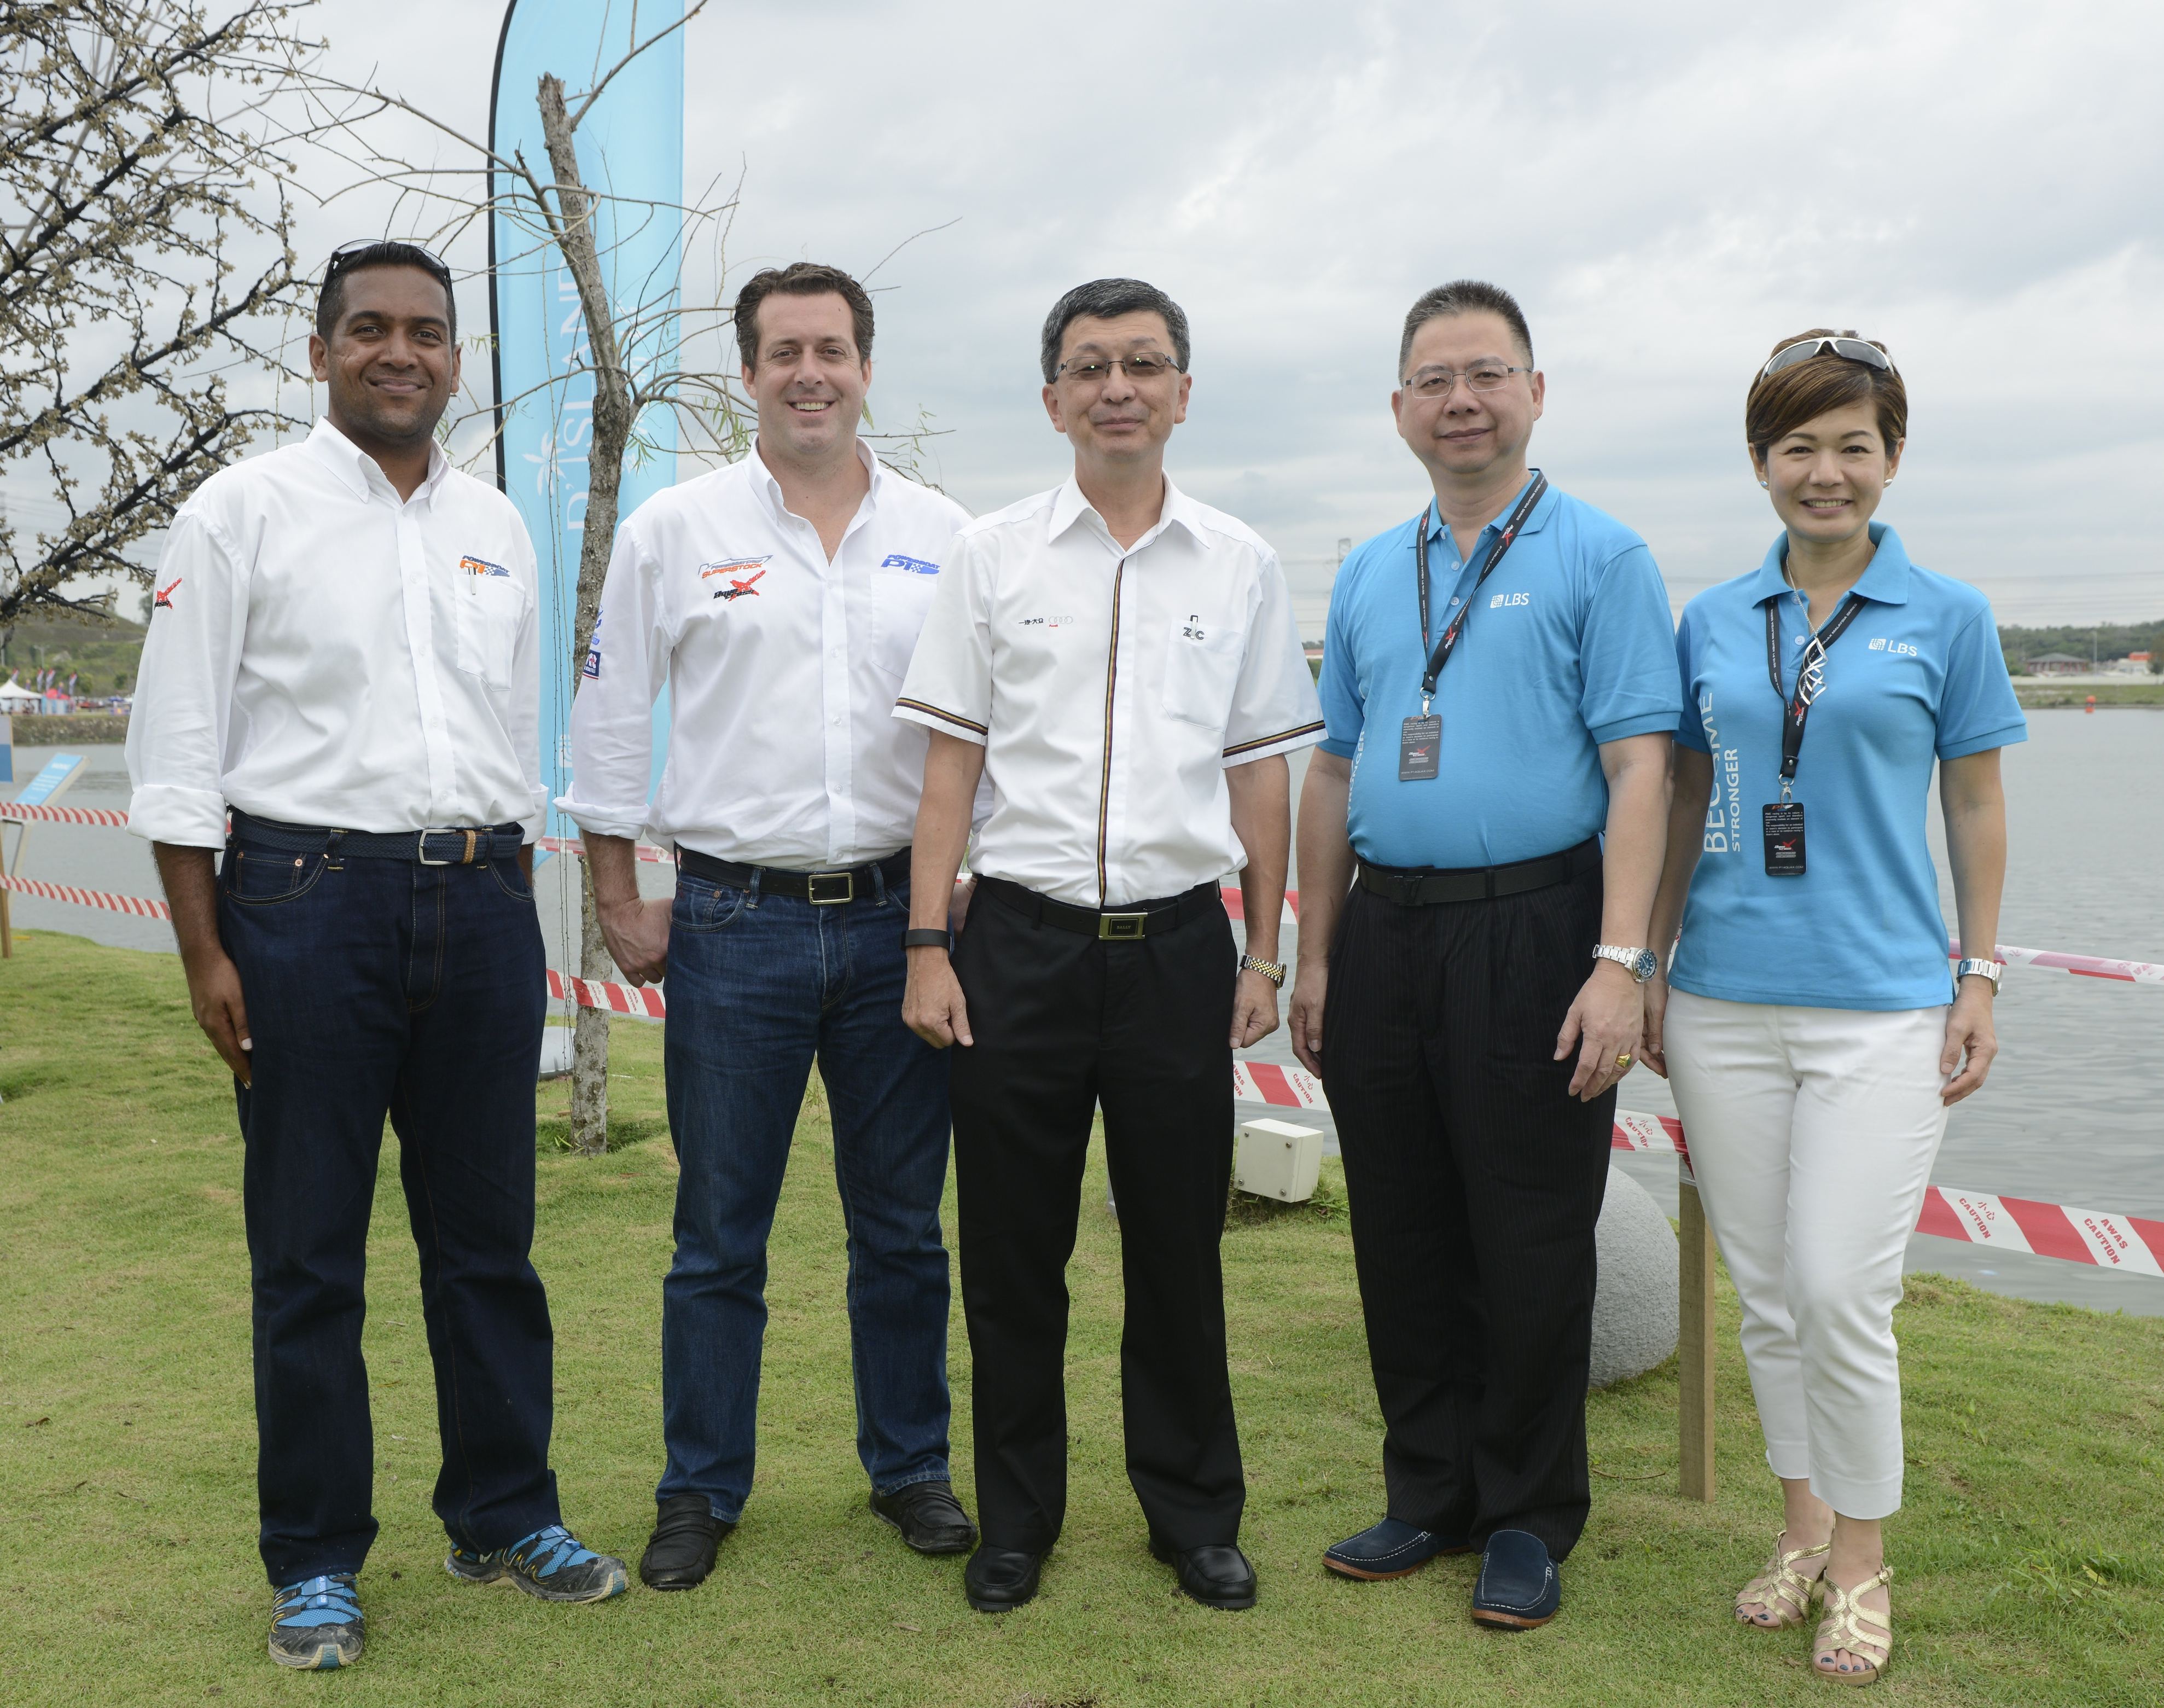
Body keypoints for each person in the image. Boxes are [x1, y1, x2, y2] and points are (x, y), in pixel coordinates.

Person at [126, 240, 626, 1672]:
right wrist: (206, 953)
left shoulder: (498, 525)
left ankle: (504, 1514)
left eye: (425, 331)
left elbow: (509, 735)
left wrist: (512, 896)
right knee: (309, 1256)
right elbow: (176, 752)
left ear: (455, 358)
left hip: (479, 903)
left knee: (487, 1245)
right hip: (303, 904)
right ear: (320, 351)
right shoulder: (240, 513)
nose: (398, 351)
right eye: (368, 329)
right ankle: (315, 1563)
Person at [896, 278, 1323, 1614]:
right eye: (1090, 367)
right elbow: (949, 770)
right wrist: (926, 943)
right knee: (1011, 1254)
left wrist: (1264, 955)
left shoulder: (1240, 563)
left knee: (1177, 1251)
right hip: (1014, 947)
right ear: (1053, 400)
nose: (1117, 387)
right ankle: (1016, 1520)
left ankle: (1192, 1515)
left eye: (1143, 364)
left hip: (1176, 952)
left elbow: (1260, 776)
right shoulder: (992, 556)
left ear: (1182, 392)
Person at [559, 262, 980, 1592]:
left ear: (867, 369)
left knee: (901, 1225)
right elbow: (610, 715)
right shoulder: (675, 528)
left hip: (900, 925)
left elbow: (987, 727)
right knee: (717, 1232)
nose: (810, 373)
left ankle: (910, 1466)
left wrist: (958, 896)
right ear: (746, 372)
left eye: (832, 350)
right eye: (784, 351)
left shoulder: (945, 535)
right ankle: (700, 1487)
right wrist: (614, 893)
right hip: (733, 921)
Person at [1288, 281, 1678, 1629]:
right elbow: (1331, 769)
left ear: (1534, 392)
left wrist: (1620, 962)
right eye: (1434, 379)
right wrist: (1315, 953)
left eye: (1487, 374)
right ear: (1399, 407)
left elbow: (1640, 769)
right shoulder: (1366, 568)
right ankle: (1430, 1490)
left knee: (1529, 1231)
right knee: (1400, 1225)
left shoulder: (1601, 556)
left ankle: (1526, 1512)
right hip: (1384, 928)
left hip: (1536, 927)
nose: (1461, 401)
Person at [1640, 330, 2022, 1686]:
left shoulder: (1947, 616)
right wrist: (1646, 964)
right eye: (1797, 445)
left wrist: (1980, 973)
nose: (1825, 471)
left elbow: (1973, 799)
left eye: (1852, 445)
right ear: (1760, 462)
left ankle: (1861, 1560)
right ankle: (1800, 1527)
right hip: (1721, 1001)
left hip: (1884, 1007)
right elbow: (1686, 795)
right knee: (1765, 1293)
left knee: (1836, 1287)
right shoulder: (1710, 618)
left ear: (1892, 459)